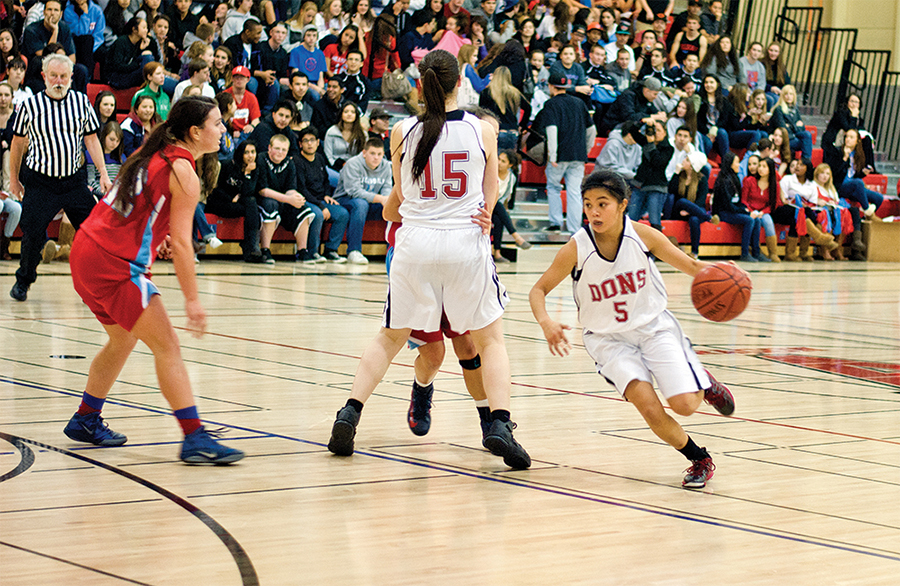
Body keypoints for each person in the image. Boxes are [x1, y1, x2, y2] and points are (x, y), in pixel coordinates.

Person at [327, 49, 531, 470]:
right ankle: (499, 423)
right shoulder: (483, 129)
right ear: (461, 83)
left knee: (389, 337)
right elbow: (490, 193)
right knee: (489, 341)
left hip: (415, 243)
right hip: (463, 243)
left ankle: (349, 412)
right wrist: (486, 213)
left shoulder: (402, 130)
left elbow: (398, 198)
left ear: (421, 85)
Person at [62, 96, 244, 463]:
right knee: (168, 346)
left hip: (87, 250)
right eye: (217, 123)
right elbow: (182, 242)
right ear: (195, 132)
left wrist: (153, 233)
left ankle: (85, 418)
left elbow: (138, 205)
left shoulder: (154, 149)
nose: (223, 129)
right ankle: (195, 438)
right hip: (114, 262)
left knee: (122, 340)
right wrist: (192, 300)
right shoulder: (184, 172)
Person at [529, 168, 737, 488]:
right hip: (608, 340)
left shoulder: (643, 235)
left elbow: (693, 267)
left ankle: (703, 382)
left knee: (684, 405)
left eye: (603, 204)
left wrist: (723, 271)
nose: (594, 212)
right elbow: (538, 290)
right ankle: (699, 459)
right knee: (651, 409)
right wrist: (546, 323)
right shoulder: (577, 247)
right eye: (587, 205)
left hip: (653, 327)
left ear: (623, 204)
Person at [9, 55, 110, 302]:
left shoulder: (81, 103)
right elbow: (18, 143)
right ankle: (24, 280)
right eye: (53, 76)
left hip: (74, 181)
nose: (58, 81)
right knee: (32, 233)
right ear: (44, 76)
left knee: (93, 231)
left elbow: (92, 140)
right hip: (41, 181)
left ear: (71, 77)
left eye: (64, 76)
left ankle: (100, 281)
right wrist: (14, 179)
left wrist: (104, 174)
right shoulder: (30, 106)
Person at [535, 72, 595, 234]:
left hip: (560, 155)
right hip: (578, 154)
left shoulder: (551, 104)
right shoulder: (579, 102)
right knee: (574, 191)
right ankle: (574, 229)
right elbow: (592, 130)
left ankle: (555, 223)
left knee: (554, 187)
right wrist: (586, 150)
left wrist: (552, 155)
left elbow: (552, 130)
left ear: (551, 86)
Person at [294, 125, 350, 263]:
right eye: (305, 141)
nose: (309, 143)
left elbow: (325, 180)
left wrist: (326, 195)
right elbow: (301, 189)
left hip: (320, 199)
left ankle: (331, 250)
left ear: (318, 142)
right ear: (300, 144)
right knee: (317, 214)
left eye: (312, 140)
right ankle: (312, 252)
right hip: (305, 200)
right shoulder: (297, 161)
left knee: (342, 214)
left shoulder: (319, 158)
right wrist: (320, 205)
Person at [332, 137, 391, 264]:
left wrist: (387, 201)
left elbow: (387, 189)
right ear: (364, 153)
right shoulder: (353, 163)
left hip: (371, 202)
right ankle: (354, 251)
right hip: (345, 200)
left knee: (392, 206)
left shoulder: (386, 166)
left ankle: (393, 250)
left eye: (379, 154)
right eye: (372, 153)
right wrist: (381, 198)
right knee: (361, 204)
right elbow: (354, 191)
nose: (376, 157)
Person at [206, 140, 265, 262]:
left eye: (253, 152)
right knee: (251, 208)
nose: (250, 156)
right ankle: (251, 247)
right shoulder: (227, 165)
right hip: (219, 203)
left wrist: (248, 174)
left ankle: (251, 248)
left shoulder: (255, 169)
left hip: (238, 205)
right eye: (246, 152)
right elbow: (215, 189)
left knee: (251, 203)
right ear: (240, 154)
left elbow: (248, 192)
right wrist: (230, 198)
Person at [710, 151, 763, 262]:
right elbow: (728, 206)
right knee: (749, 220)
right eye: (737, 162)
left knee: (756, 219)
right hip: (724, 212)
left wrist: (746, 209)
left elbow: (738, 201)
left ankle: (756, 252)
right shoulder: (723, 180)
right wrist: (746, 213)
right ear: (730, 164)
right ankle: (744, 253)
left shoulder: (735, 178)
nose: (739, 165)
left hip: (733, 210)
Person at [822, 127, 883, 220]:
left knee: (879, 198)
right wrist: (844, 159)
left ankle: (865, 219)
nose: (848, 139)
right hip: (838, 186)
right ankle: (867, 211)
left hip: (853, 187)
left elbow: (854, 175)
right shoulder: (838, 152)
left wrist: (863, 173)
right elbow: (833, 172)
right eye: (847, 137)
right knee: (858, 182)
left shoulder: (858, 154)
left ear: (857, 141)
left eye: (851, 137)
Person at [626, 118, 673, 232]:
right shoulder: (646, 142)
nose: (655, 133)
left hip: (656, 186)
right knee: (631, 219)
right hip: (640, 184)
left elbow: (657, 162)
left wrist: (651, 143)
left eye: (658, 130)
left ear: (665, 132)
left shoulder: (668, 149)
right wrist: (642, 121)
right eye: (653, 129)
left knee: (654, 220)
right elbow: (632, 130)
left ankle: (657, 247)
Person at [491, 148, 531, 263]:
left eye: (503, 161)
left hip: (496, 209)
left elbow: (506, 198)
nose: (499, 163)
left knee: (499, 218)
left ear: (510, 165)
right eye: (498, 159)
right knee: (498, 206)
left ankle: (497, 253)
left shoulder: (511, 178)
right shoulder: (491, 172)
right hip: (484, 205)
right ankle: (516, 237)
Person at [478, 65, 529, 151]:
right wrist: (522, 125)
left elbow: (481, 113)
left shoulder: (487, 92)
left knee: (496, 160)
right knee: (510, 160)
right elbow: (528, 108)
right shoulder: (514, 92)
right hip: (513, 130)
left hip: (496, 130)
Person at [770, 84, 811, 160]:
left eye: (791, 94)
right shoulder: (778, 109)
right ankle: (805, 162)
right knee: (806, 144)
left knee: (807, 134)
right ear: (782, 96)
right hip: (784, 138)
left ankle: (805, 162)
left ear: (794, 96)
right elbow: (783, 129)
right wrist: (796, 126)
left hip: (793, 136)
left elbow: (802, 128)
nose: (789, 96)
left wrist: (791, 126)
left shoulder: (795, 109)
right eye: (786, 94)